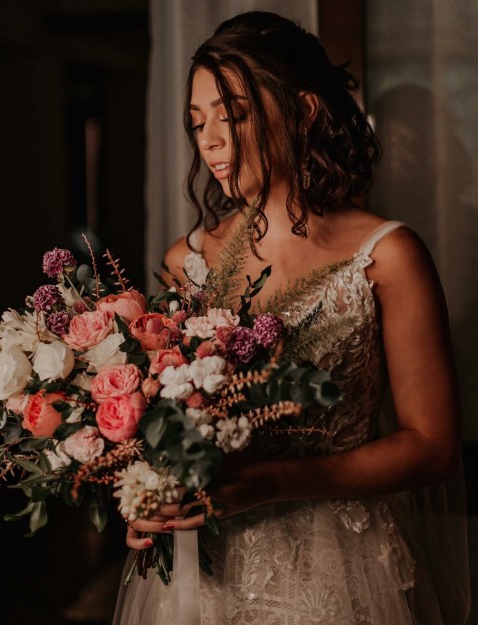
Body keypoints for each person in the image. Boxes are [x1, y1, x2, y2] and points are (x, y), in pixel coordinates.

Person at [113, 11, 470, 625]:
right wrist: (145, 496)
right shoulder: (188, 261)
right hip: (205, 576)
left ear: (303, 112)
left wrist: (272, 484)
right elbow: (165, 422)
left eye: (234, 115)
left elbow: (432, 448)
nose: (211, 141)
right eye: (198, 122)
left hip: (338, 575)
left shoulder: (386, 255)